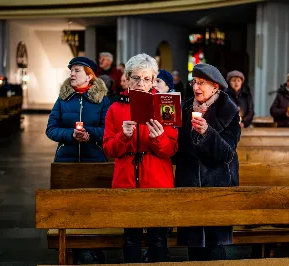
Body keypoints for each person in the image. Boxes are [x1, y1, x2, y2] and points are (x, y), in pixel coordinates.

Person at [103, 53, 178, 263]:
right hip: (126, 181)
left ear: (154, 80)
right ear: (126, 78)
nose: (140, 83)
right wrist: (123, 136)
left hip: (157, 181)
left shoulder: (165, 105)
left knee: (158, 240)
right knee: (130, 239)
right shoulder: (115, 108)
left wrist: (159, 138)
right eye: (135, 77)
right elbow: (109, 149)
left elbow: (171, 150)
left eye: (147, 79)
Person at [46, 56, 110, 264]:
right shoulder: (63, 99)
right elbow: (51, 129)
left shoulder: (102, 99)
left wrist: (90, 134)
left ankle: (95, 246)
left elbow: (109, 129)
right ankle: (76, 247)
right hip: (67, 161)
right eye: (71, 71)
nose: (71, 74)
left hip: (94, 160)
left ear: (89, 75)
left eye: (76, 71)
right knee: (71, 205)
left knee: (95, 205)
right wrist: (71, 135)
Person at [173, 63, 241, 261]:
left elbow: (227, 154)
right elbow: (176, 153)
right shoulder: (184, 108)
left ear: (215, 87)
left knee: (214, 249)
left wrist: (207, 133)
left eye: (202, 83)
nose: (196, 88)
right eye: (194, 82)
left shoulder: (229, 112)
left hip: (217, 186)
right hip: (190, 185)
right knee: (193, 249)